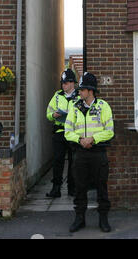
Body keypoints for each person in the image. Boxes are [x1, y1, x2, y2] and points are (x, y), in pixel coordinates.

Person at [64, 72, 114, 233]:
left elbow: (110, 131)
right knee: (80, 187)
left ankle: (103, 220)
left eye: (82, 89)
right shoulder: (75, 107)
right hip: (80, 153)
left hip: (98, 153)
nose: (79, 92)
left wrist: (92, 139)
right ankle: (80, 219)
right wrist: (80, 140)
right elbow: (67, 131)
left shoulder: (103, 107)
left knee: (101, 187)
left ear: (90, 91)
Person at [45, 69, 79, 198]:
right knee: (58, 161)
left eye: (65, 83)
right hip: (59, 132)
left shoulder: (79, 96)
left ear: (72, 83)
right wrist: (53, 115)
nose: (63, 85)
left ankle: (72, 188)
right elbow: (48, 113)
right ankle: (56, 188)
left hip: (73, 132)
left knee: (73, 161)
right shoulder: (57, 95)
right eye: (62, 83)